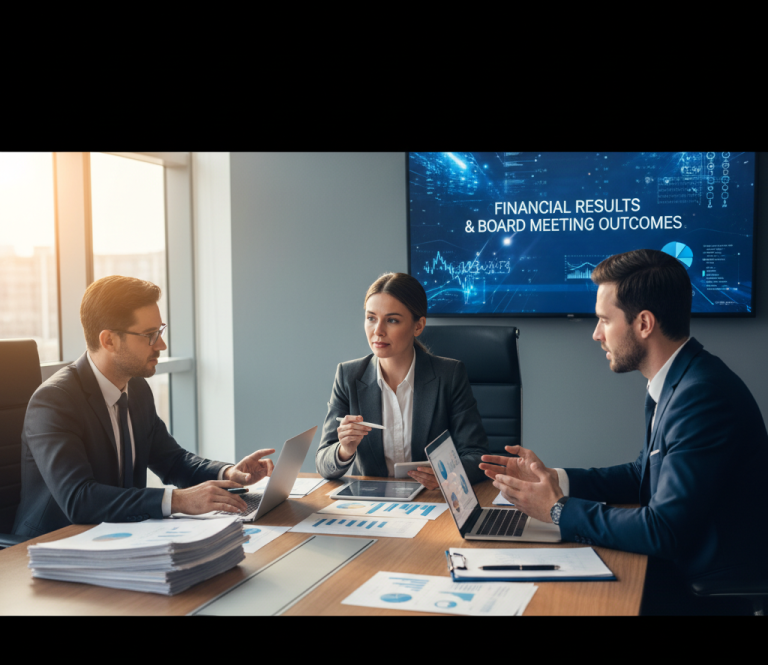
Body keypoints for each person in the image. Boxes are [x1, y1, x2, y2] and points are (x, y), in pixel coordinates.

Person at [479, 249, 768, 611]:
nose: (596, 334)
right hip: (680, 563)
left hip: (701, 584)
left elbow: (664, 530)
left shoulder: (703, 397)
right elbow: (642, 475)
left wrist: (557, 509)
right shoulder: (682, 380)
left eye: (604, 320)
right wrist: (554, 478)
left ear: (644, 323)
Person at [13, 276, 276, 538]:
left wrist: (230, 473)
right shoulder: (54, 401)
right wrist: (179, 500)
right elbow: (79, 499)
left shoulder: (136, 388)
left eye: (159, 332)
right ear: (109, 341)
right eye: (149, 336)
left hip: (118, 536)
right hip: (53, 545)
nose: (161, 345)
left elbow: (173, 461)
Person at [316, 272, 488, 488]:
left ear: (418, 326)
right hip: (371, 504)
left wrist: (447, 476)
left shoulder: (449, 375)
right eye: (371, 318)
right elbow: (323, 463)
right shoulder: (348, 375)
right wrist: (344, 450)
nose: (377, 331)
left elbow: (476, 455)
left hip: (431, 501)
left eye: (392, 320)